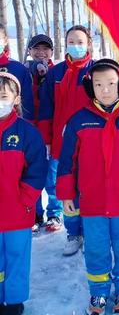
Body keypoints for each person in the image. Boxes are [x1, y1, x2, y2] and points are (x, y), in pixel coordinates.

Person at [57, 59, 119, 315]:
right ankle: (98, 292)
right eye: (98, 85)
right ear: (90, 88)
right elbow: (67, 161)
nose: (105, 90)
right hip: (92, 201)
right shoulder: (78, 121)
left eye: (111, 83)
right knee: (96, 248)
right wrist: (66, 193)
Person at [38, 25, 95, 256]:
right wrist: (47, 138)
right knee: (67, 189)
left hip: (92, 141)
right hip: (62, 142)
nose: (76, 45)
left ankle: (91, 232)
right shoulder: (56, 73)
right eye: (72, 41)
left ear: (89, 43)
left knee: (90, 188)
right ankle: (74, 232)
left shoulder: (98, 70)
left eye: (80, 41)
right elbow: (46, 108)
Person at [0, 72, 47, 315]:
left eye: (3, 96)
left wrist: (26, 199)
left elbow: (38, 169)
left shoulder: (27, 132)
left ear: (16, 99)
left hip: (17, 212)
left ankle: (14, 299)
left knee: (16, 257)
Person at [25, 34, 62, 233]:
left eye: (45, 49)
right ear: (29, 51)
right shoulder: (23, 72)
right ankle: (35, 213)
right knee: (32, 174)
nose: (41, 52)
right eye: (36, 49)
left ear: (51, 52)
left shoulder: (56, 73)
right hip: (29, 132)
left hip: (51, 131)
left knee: (52, 175)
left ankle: (55, 212)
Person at [0, 24, 34, 122]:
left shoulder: (17, 68)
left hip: (12, 128)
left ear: (5, 40)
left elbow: (26, 103)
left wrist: (26, 126)